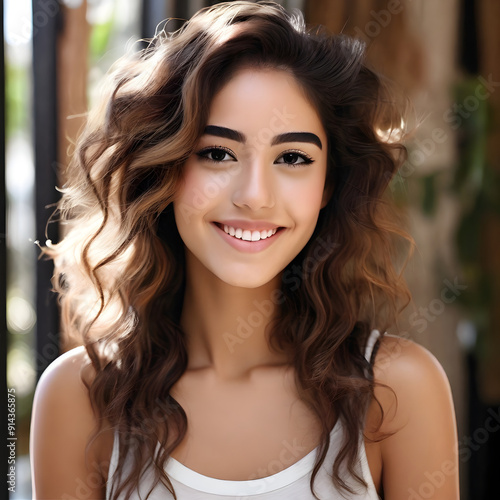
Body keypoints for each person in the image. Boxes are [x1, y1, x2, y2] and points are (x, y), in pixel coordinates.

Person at [30, 1, 459, 499]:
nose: (255, 195)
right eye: (218, 153)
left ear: (328, 185)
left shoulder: (398, 392)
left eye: (293, 157)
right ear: (164, 169)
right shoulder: (80, 398)